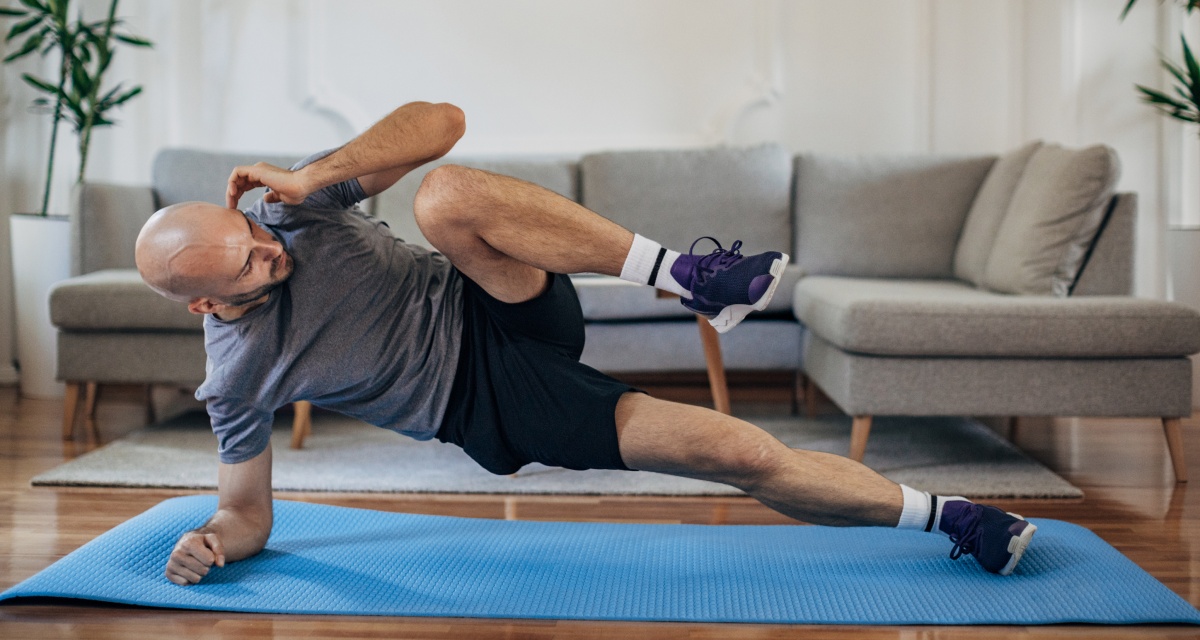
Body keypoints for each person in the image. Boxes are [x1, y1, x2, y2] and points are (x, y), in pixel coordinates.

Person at [134, 101, 1037, 587]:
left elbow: (442, 120)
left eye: (250, 234)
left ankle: (690, 276)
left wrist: (313, 176)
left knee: (445, 194)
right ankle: (951, 518)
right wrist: (213, 542)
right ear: (206, 305)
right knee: (739, 452)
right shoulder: (237, 377)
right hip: (487, 402)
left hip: (491, 298)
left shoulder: (289, 212)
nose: (269, 251)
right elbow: (248, 513)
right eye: (247, 265)